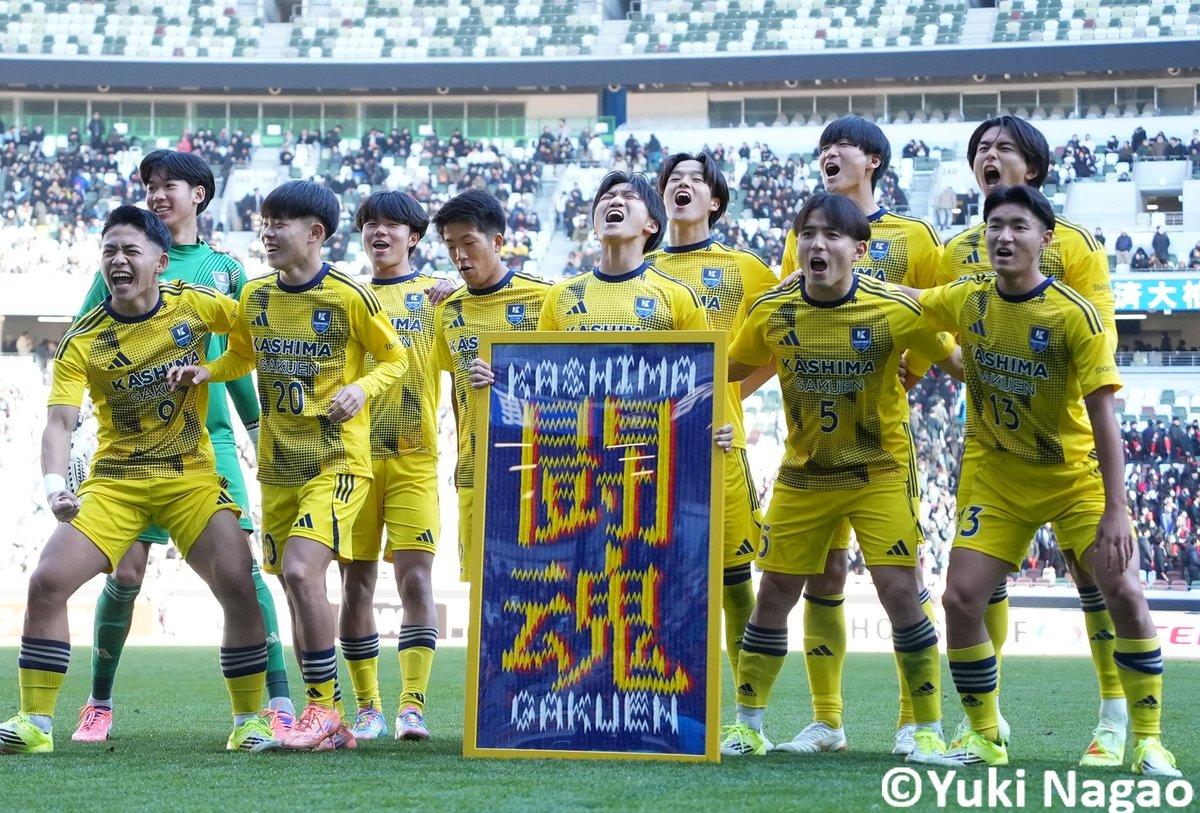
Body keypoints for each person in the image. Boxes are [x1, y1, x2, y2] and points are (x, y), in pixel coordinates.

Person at [918, 185, 1178, 777]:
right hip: (998, 477)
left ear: (1045, 239)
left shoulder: (1072, 314)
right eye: (994, 227)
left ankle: (1146, 739)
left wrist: (1118, 510)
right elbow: (912, 304)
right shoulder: (966, 297)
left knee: (1128, 595)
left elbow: (1105, 419)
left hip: (1072, 476)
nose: (1003, 237)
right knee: (960, 599)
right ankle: (985, 734)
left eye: (1018, 226)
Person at [0, 206, 278, 754]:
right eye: (109, 251)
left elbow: (256, 328)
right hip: (115, 483)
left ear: (159, 260)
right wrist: (56, 483)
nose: (119, 260)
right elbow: (59, 423)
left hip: (190, 478)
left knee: (241, 587)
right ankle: (36, 723)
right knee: (46, 583)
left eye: (131, 250)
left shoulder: (197, 305)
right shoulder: (84, 338)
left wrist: (221, 376)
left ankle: (250, 720)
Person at [168, 180, 408, 752]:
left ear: (316, 233)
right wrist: (208, 372)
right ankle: (325, 721)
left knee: (303, 572)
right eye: (265, 222)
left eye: (280, 223)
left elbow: (394, 357)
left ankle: (325, 710)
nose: (268, 232)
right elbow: (243, 354)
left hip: (338, 462)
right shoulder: (254, 297)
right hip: (277, 468)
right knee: (295, 588)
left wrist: (361, 388)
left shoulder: (351, 297)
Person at [719, 192, 958, 764]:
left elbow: (957, 364)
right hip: (805, 475)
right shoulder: (773, 310)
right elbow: (722, 368)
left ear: (860, 248)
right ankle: (748, 725)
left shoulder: (896, 308)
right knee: (773, 595)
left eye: (831, 235)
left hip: (879, 472)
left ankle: (923, 730)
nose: (816, 245)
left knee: (901, 592)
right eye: (807, 234)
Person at [67, 149, 293, 744]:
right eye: (149, 186)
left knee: (243, 569)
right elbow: (84, 344)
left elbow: (244, 357)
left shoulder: (224, 268)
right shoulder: (121, 260)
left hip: (209, 441)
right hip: (136, 444)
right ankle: (98, 702)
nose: (157, 194)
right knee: (128, 569)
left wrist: (256, 435)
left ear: (200, 195)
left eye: (170, 185)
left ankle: (278, 703)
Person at [938, 115, 1123, 766]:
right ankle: (983, 727)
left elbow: (1099, 335)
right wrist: (958, 361)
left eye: (1003, 147)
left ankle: (1114, 719)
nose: (989, 155)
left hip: (1066, 445)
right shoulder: (958, 245)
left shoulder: (1074, 244)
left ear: (1035, 169)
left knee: (1093, 579)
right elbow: (935, 324)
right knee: (974, 588)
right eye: (980, 149)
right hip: (990, 449)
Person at [778, 116, 945, 756]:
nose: (828, 154)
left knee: (899, 579)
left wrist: (917, 365)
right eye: (821, 148)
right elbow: (783, 310)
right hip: (815, 442)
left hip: (882, 440)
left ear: (872, 159)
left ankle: (914, 720)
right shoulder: (804, 232)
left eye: (840, 146)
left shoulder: (912, 235)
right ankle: (827, 721)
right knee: (823, 576)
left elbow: (934, 312)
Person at [647, 152, 778, 684]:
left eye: (694, 180)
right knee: (651, 578)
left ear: (714, 200)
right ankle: (657, 695)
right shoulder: (641, 269)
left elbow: (778, 341)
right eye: (673, 179)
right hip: (644, 447)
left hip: (719, 444)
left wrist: (730, 395)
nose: (682, 185)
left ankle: (747, 710)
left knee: (732, 581)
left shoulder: (744, 268)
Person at [339, 191, 441, 743]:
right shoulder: (345, 296)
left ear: (414, 237)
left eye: (392, 225)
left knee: (416, 579)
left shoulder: (437, 297)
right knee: (355, 583)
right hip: (352, 459)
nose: (380, 232)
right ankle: (368, 706)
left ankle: (413, 706)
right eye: (370, 224)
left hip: (415, 457)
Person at [430, 188, 552, 583]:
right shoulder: (448, 310)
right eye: (451, 246)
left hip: (536, 468)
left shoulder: (545, 298)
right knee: (485, 590)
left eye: (469, 243)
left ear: (497, 242)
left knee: (541, 582)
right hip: (474, 470)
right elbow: (456, 387)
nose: (460, 257)